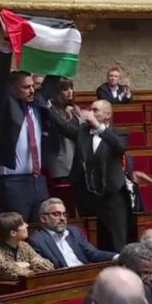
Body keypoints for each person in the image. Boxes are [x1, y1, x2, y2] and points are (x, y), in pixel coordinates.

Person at [0, 27, 56, 224]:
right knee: (19, 230)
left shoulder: (37, 103)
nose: (31, 91)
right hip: (13, 183)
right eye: (25, 87)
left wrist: (62, 48)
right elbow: (1, 78)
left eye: (32, 86)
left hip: (37, 180)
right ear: (12, 89)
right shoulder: (5, 105)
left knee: (42, 230)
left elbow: (52, 80)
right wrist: (6, 48)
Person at [50, 99, 130, 252]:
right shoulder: (82, 131)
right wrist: (48, 104)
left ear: (108, 115)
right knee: (91, 238)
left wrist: (99, 127)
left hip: (111, 196)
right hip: (86, 195)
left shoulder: (119, 133)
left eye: (96, 110)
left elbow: (119, 147)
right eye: (90, 109)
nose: (91, 113)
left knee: (116, 239)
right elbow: (63, 127)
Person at [28, 198, 117, 269]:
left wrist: (117, 256)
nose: (62, 218)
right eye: (56, 214)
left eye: (64, 214)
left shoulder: (74, 231)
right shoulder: (37, 240)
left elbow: (92, 253)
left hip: (86, 273)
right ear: (43, 219)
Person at [0, 212, 54, 280]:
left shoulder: (24, 245)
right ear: (13, 233)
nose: (27, 225)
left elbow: (49, 266)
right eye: (22, 224)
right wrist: (31, 265)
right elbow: (8, 272)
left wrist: (24, 265)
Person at [47, 78, 80, 182]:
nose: (70, 92)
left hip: (76, 160)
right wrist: (68, 118)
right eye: (65, 89)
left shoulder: (74, 108)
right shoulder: (52, 111)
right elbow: (65, 129)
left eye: (71, 88)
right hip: (62, 162)